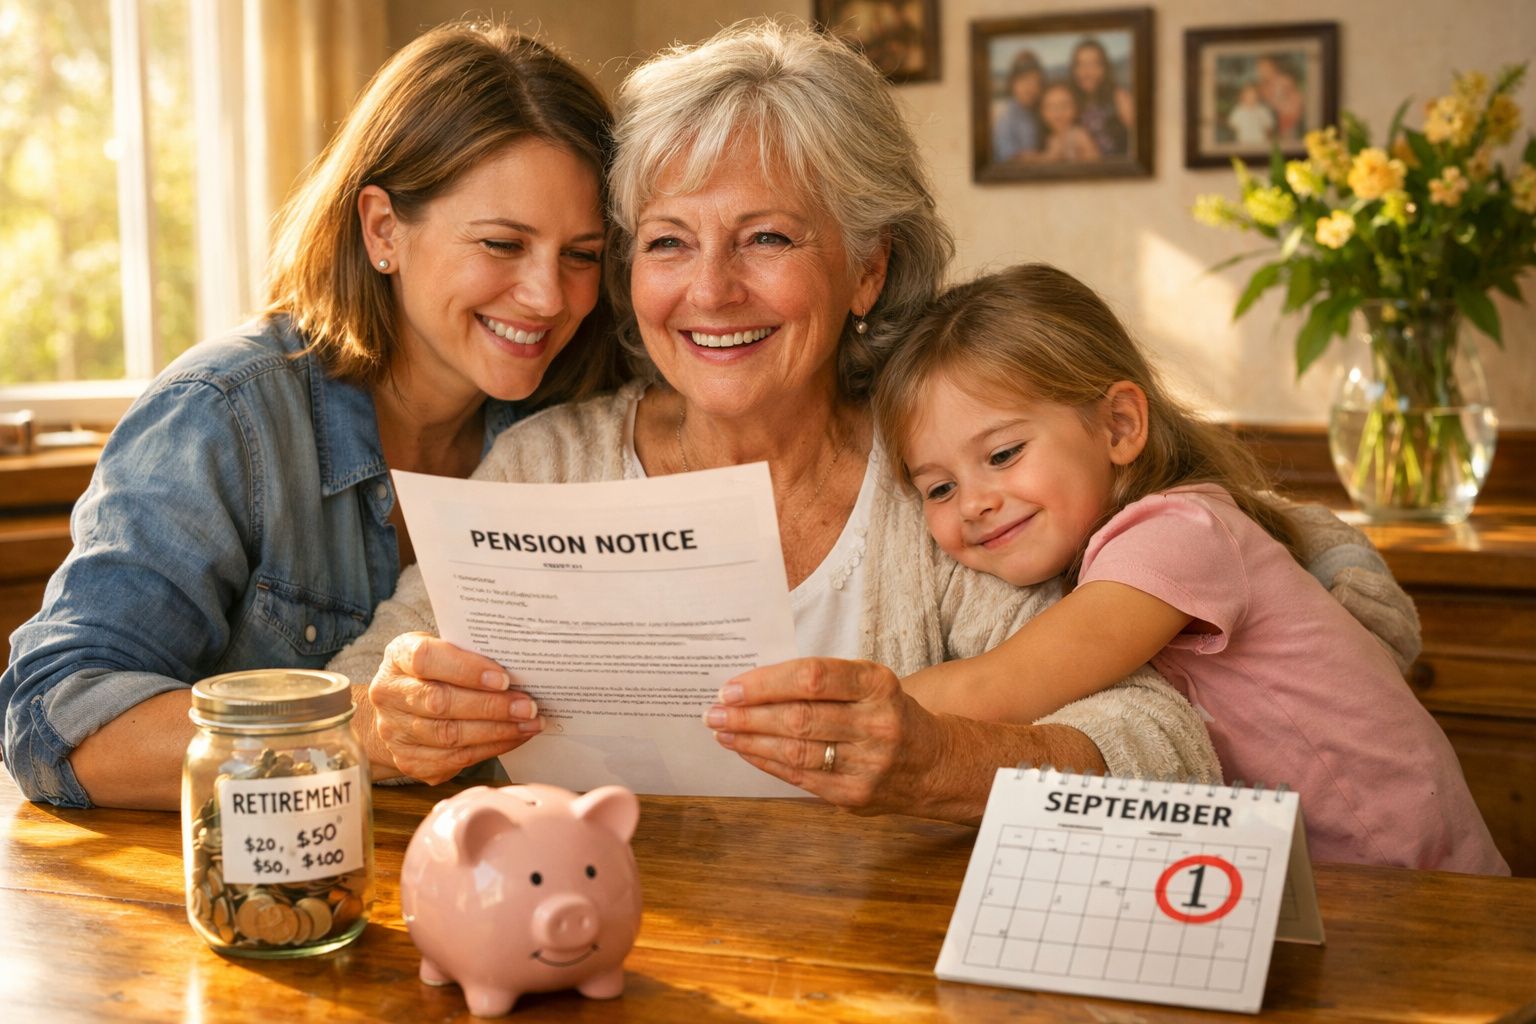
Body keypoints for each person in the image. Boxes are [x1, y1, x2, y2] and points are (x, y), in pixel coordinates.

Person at [329, 20, 1420, 827]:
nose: (709, 292)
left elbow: (1168, 744)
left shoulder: (937, 480)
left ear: (867, 268)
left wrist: (943, 757)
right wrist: (390, 721)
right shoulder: (544, 467)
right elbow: (356, 692)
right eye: (666, 243)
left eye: (765, 238)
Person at [1, 21, 623, 809]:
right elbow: (57, 723)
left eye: (582, 255)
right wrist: (353, 732)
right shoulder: (224, 415)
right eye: (503, 244)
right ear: (383, 229)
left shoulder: (581, 422)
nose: (549, 297)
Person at [873, 263, 1506, 873]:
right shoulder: (1107, 552)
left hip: (1410, 876)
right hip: (1307, 884)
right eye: (939, 489)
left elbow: (999, 688)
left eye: (1004, 453)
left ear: (1120, 425)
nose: (975, 503)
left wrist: (842, 707)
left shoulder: (1176, 534)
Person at [1068, 38, 1132, 158]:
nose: (1086, 72)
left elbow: (1141, 140)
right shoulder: (1071, 102)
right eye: (1080, 64)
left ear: (1104, 68)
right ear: (1074, 70)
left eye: (1093, 64)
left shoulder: (1119, 97)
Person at [993, 50, 1045, 162]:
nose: (1029, 87)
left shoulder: (1039, 110)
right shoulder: (1007, 116)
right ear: (1012, 83)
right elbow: (1009, 158)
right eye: (1024, 80)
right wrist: (1049, 157)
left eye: (1035, 81)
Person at [1037, 82, 1101, 163]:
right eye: (1051, 106)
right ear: (1042, 112)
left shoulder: (1079, 135)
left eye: (1064, 105)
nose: (1058, 112)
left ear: (1075, 109)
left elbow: (1096, 164)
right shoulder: (1047, 138)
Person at [1255, 55, 1305, 143]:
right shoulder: (1262, 88)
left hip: (1289, 123)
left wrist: (1291, 114)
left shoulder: (1284, 81)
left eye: (1265, 68)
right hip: (1273, 127)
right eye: (1260, 69)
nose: (1262, 71)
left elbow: (1297, 99)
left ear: (1273, 67)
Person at [1226, 82, 1275, 146]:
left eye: (1253, 94)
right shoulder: (1238, 111)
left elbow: (1268, 126)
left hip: (1260, 142)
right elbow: (1232, 126)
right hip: (1243, 142)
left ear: (1257, 96)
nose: (1251, 97)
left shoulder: (1263, 110)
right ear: (1243, 96)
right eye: (1248, 94)